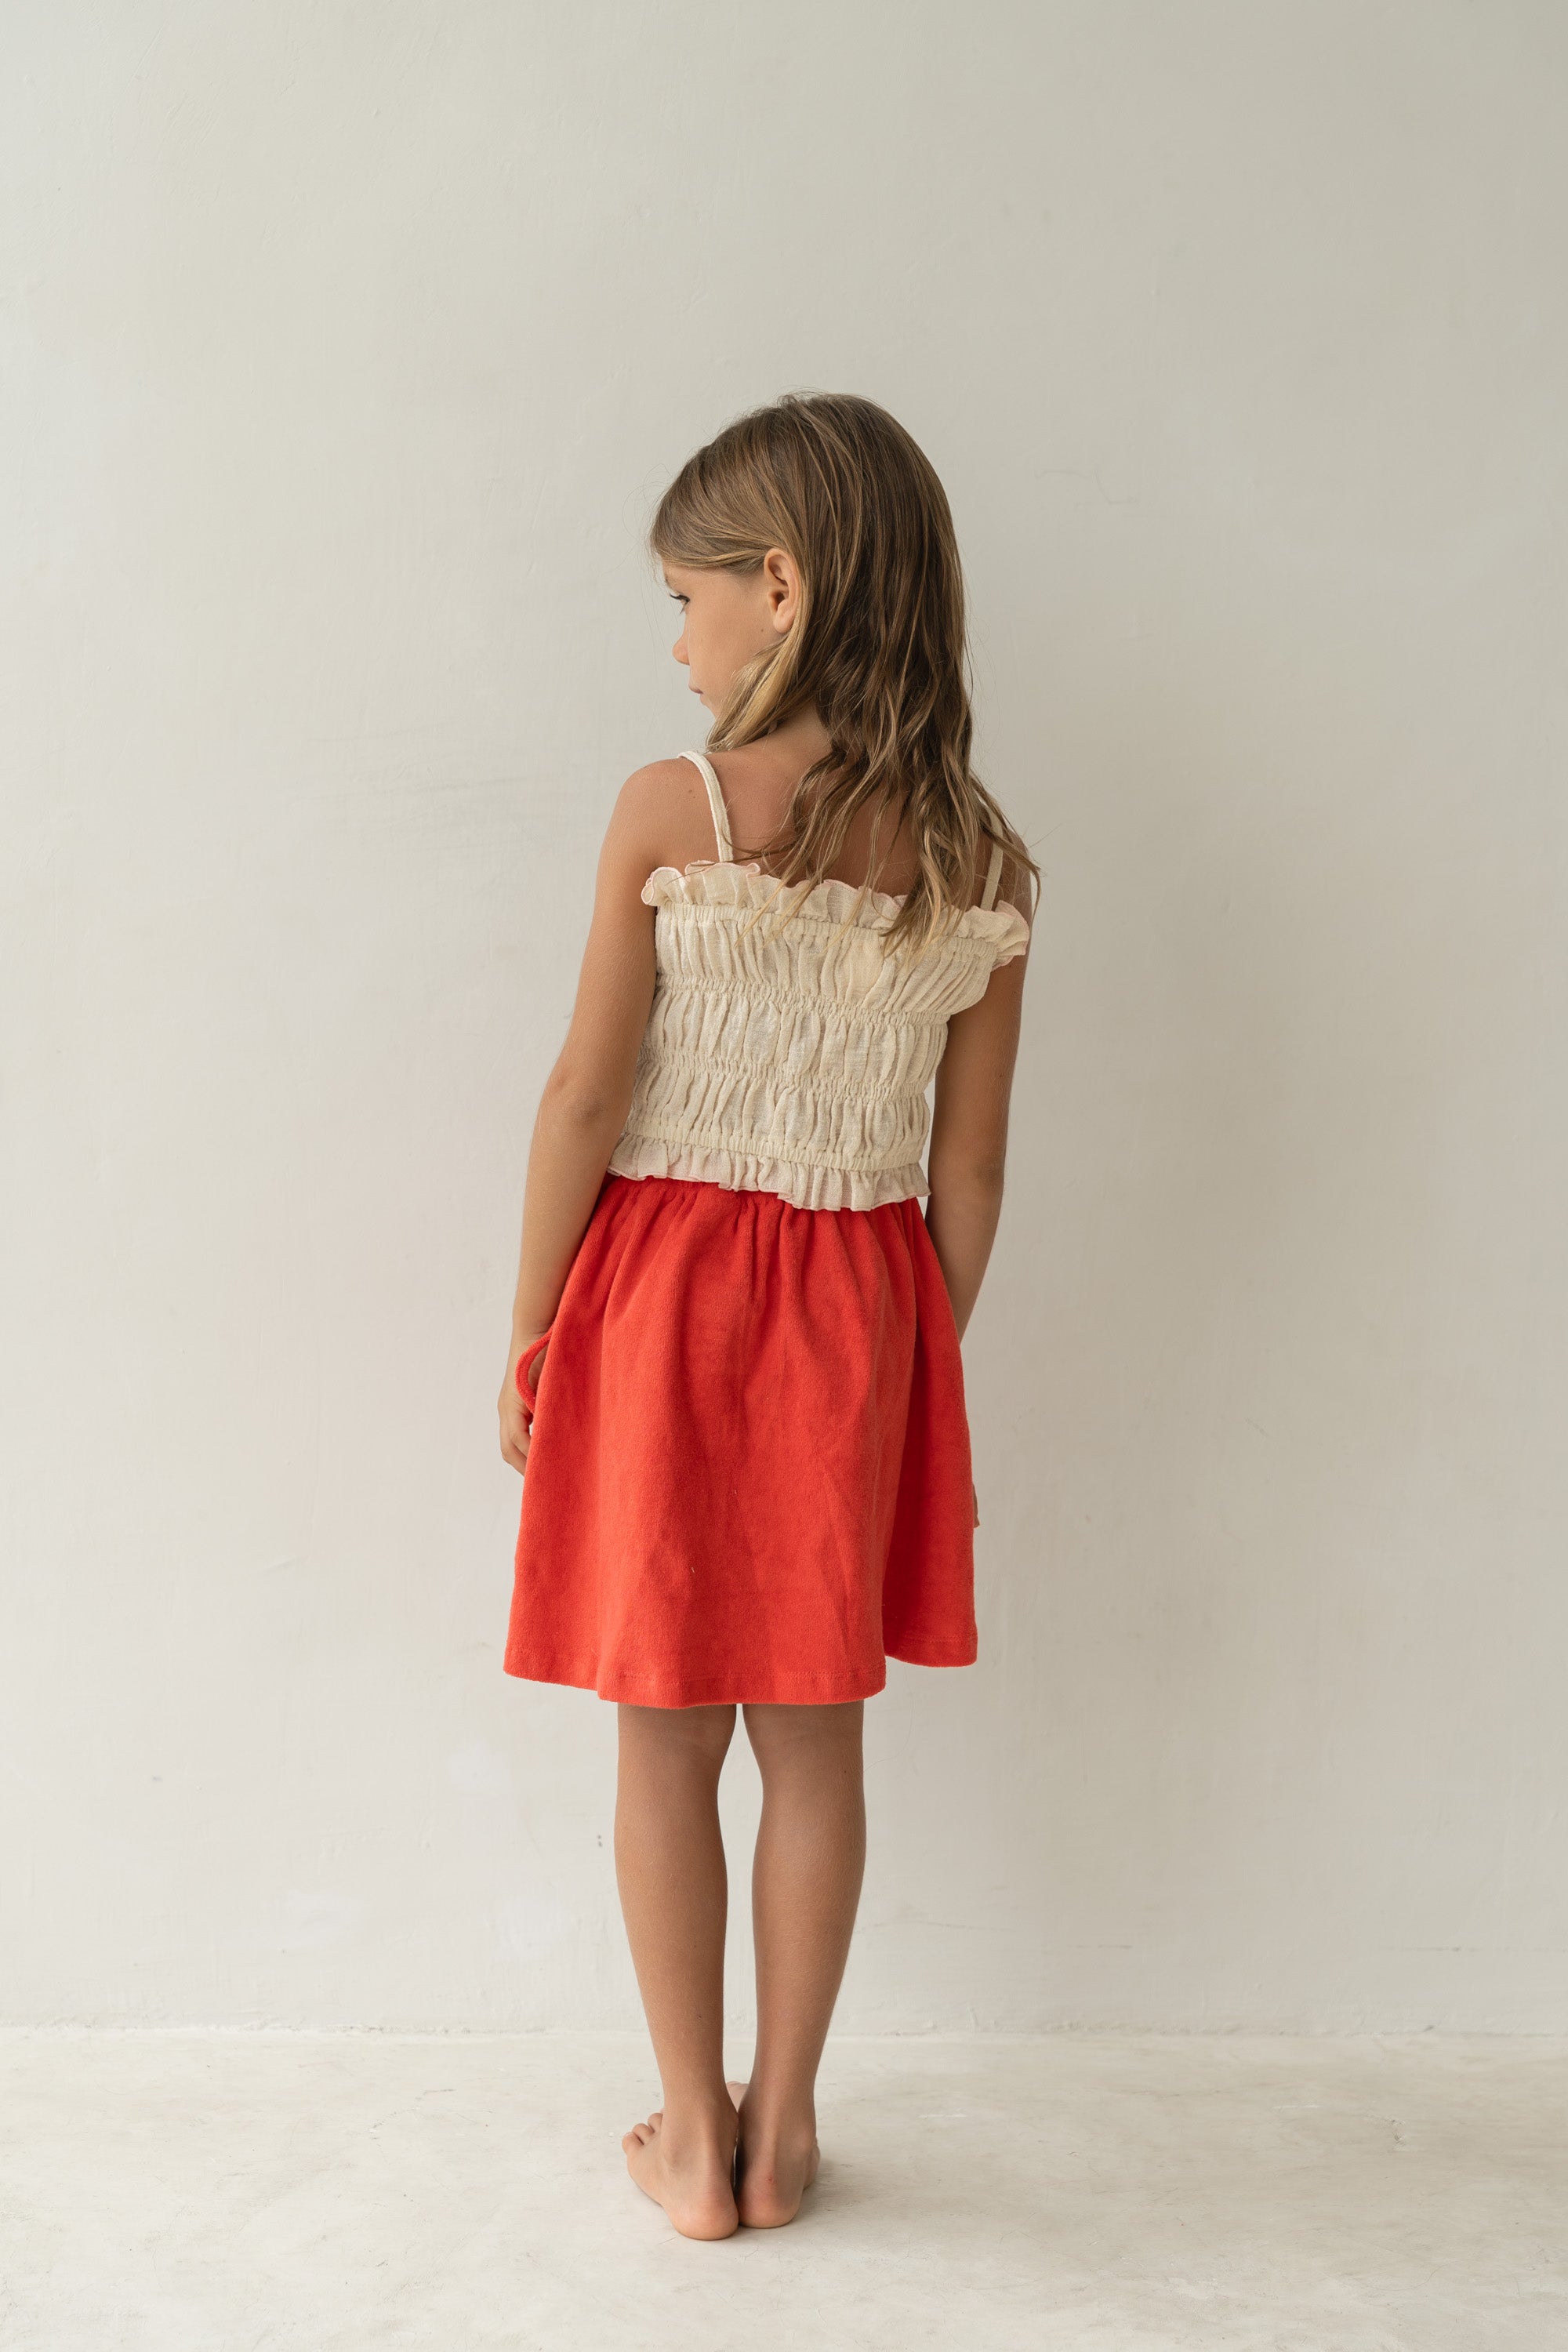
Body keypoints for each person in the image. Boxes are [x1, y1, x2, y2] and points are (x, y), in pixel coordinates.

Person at [496, 391, 1038, 2241]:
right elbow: (968, 1179)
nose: (676, 637)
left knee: (664, 1728)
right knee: (816, 1735)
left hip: (654, 1306)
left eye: (687, 593)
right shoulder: (982, 863)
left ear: (780, 589)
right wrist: (909, 1353)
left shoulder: (678, 807)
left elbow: (584, 1093)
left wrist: (533, 1322)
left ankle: (689, 2140)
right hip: (858, 1312)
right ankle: (788, 2127)